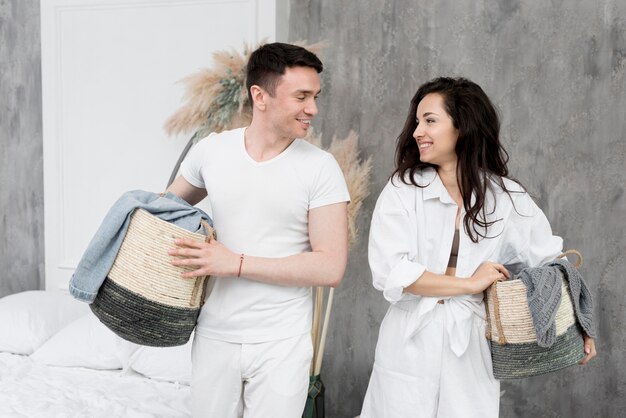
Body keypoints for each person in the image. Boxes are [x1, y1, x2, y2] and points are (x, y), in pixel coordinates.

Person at [360, 77, 596, 418]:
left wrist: (580, 328)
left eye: (429, 120)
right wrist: (469, 283)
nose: (416, 131)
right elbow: (390, 271)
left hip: (471, 341)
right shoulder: (403, 189)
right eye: (417, 121)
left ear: (462, 126)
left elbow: (551, 264)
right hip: (409, 337)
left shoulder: (506, 196)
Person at [166, 43, 350, 418]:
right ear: (260, 96)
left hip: (282, 342)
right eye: (301, 96)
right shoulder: (211, 151)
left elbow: (330, 268)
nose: (312, 109)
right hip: (214, 335)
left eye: (315, 96)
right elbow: (162, 213)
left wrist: (235, 263)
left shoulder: (321, 168)